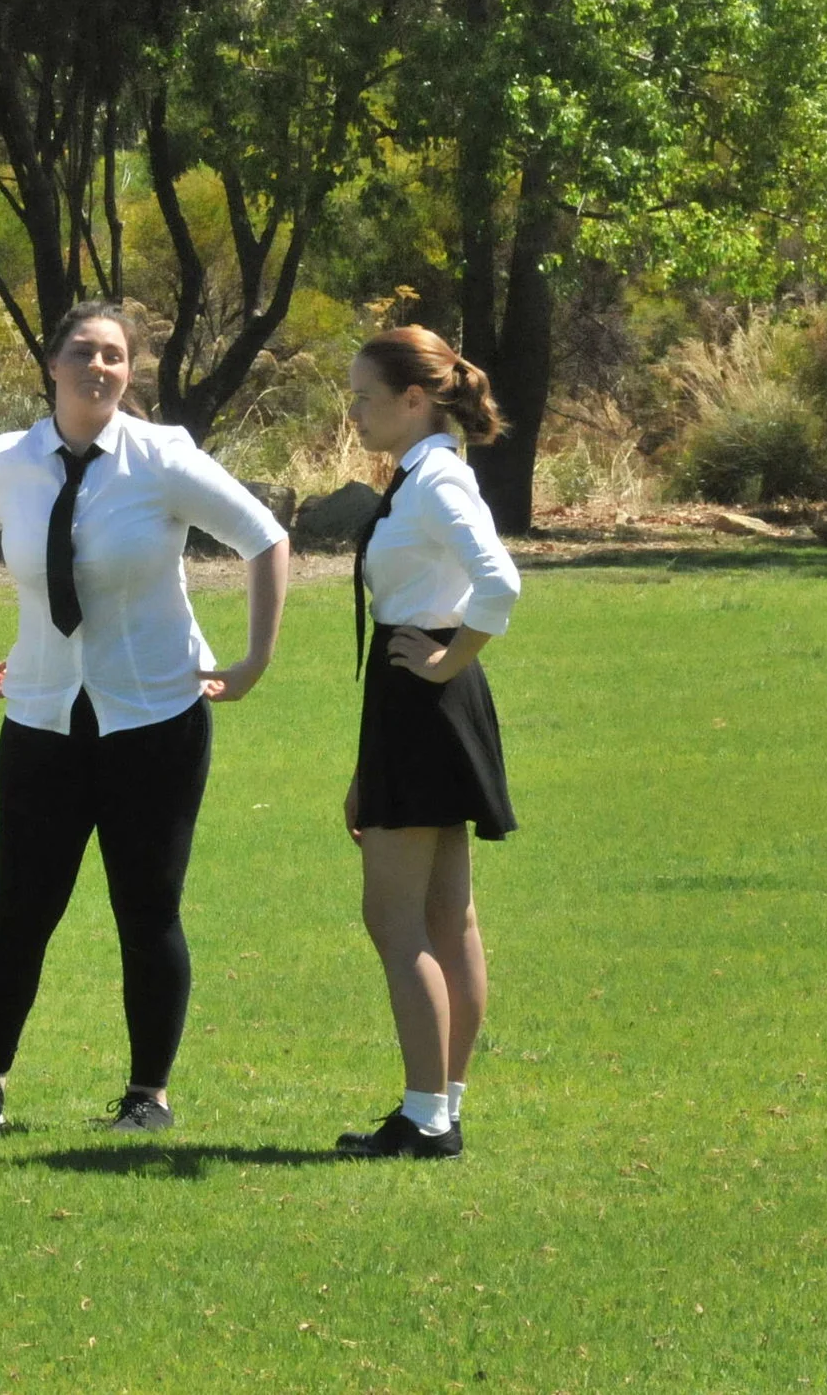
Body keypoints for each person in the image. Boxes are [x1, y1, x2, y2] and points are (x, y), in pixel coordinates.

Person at [0, 302, 290, 1137]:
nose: (101, 368)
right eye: (85, 352)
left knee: (148, 909)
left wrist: (251, 662)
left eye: (117, 357)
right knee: (19, 910)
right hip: (43, 720)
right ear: (51, 364)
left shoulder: (163, 458)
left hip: (156, 718)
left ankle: (147, 1097)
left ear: (131, 373)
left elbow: (264, 538)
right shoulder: (6, 464)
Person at [333, 325, 522, 1161]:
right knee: (449, 916)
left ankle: (425, 1114)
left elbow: (501, 580)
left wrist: (450, 661)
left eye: (365, 398)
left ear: (415, 400)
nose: (356, 412)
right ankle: (439, 1106)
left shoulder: (437, 479)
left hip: (426, 690)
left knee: (396, 915)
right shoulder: (427, 473)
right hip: (419, 696)